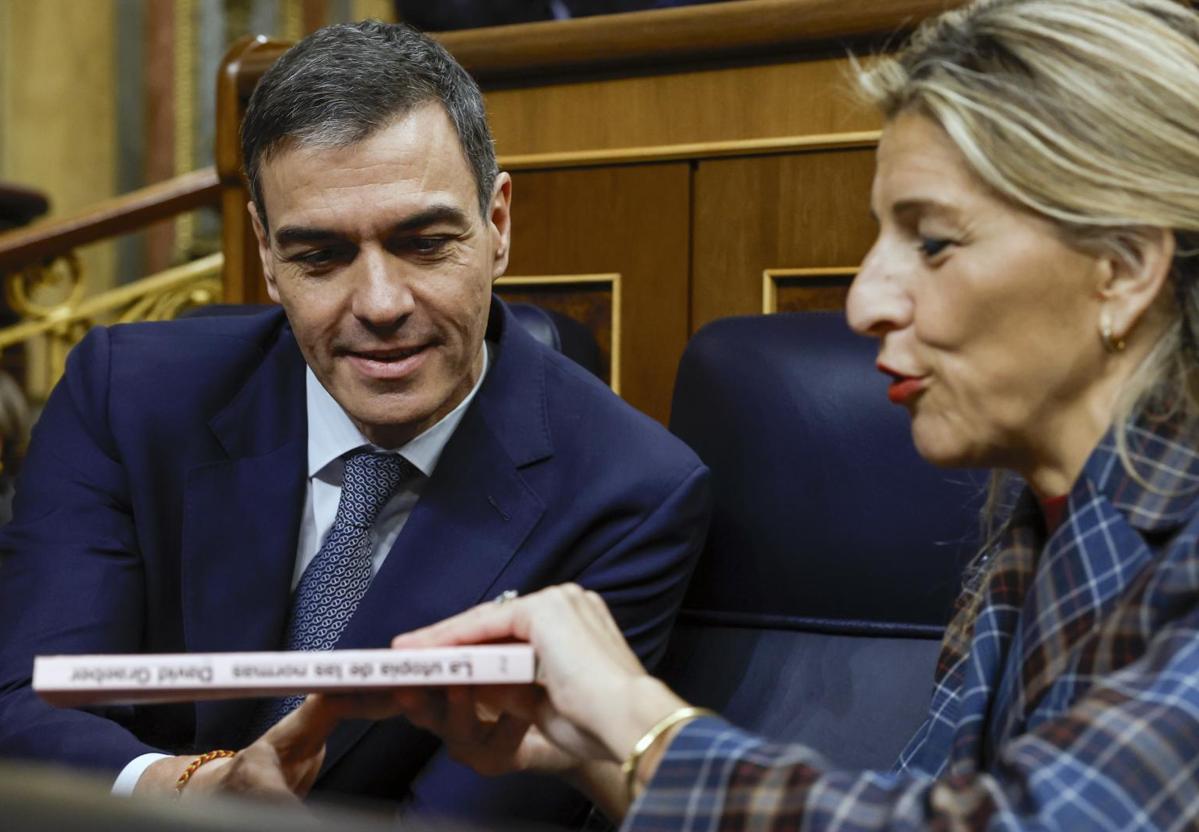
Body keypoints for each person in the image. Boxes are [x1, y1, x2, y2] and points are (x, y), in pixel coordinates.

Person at [293, 0, 1199, 828]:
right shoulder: (1031, 512)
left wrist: (646, 728)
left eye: (931, 241)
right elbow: (934, 803)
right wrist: (600, 757)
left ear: (1120, 268)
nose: (865, 301)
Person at [0, 21, 711, 826]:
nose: (379, 305)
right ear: (266, 254)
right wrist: (191, 787)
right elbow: (25, 702)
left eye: (424, 244)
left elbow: (471, 820)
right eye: (320, 258)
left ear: (498, 224)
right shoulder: (126, 396)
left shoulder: (628, 493)